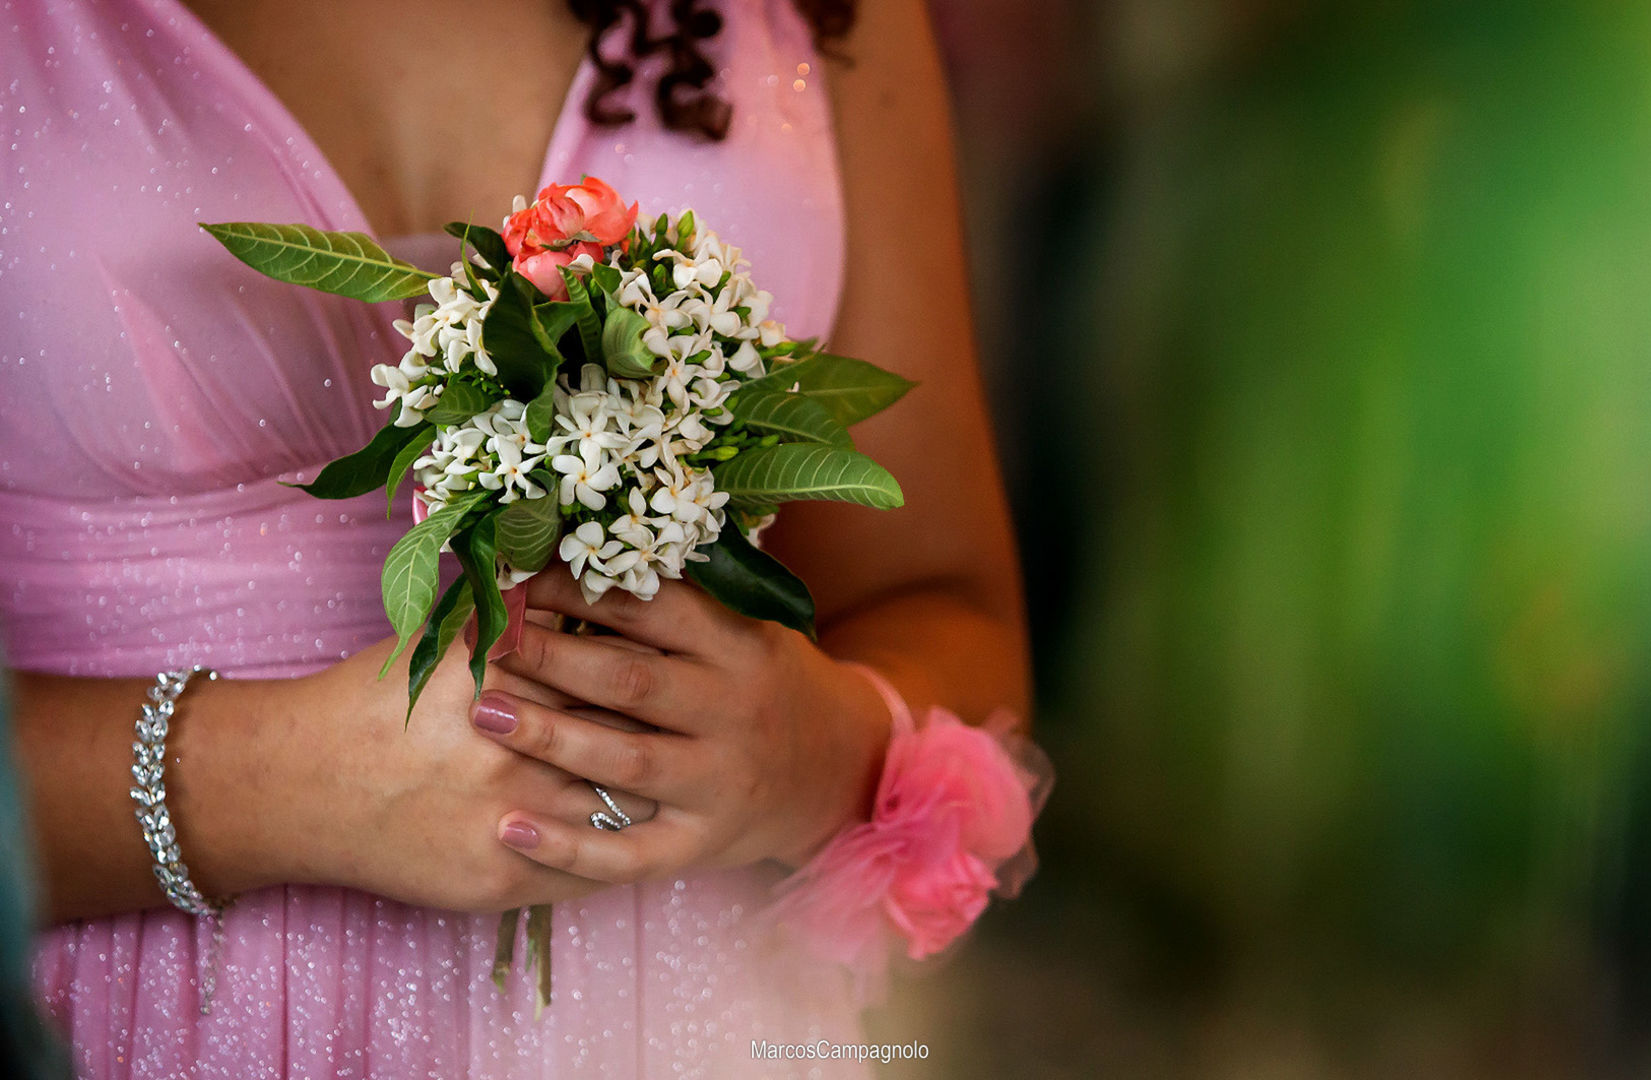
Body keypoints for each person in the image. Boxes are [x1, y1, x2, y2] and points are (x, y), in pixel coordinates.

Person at [0, 0, 1029, 1075]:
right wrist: (266, 784)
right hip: (133, 1019)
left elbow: (944, 602)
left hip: (691, 1021)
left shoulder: (824, 18)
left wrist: (812, 747)